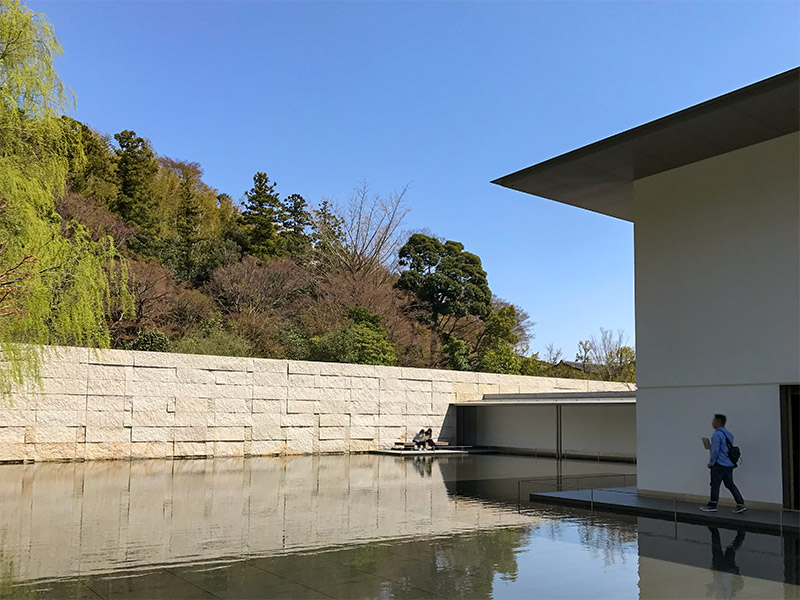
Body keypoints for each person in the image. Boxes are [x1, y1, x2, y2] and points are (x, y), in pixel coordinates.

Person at [700, 414, 746, 513]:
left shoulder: (717, 434)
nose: (712, 422)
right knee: (730, 484)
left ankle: (712, 504)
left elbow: (715, 451)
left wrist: (711, 463)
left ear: (718, 422)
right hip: (729, 464)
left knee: (715, 484)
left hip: (719, 464)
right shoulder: (729, 434)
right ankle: (740, 503)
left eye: (713, 420)